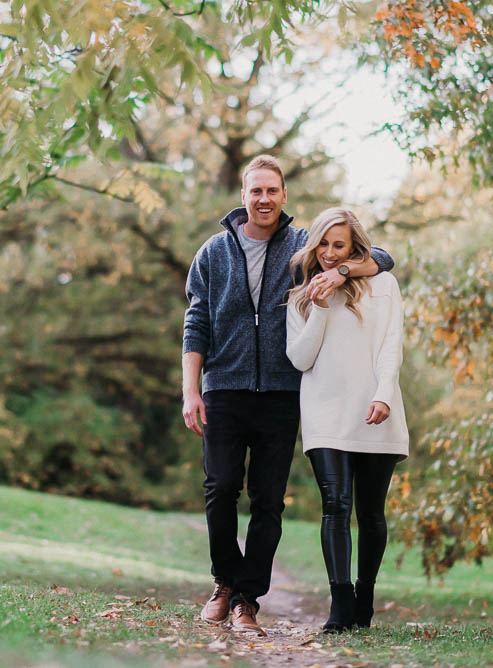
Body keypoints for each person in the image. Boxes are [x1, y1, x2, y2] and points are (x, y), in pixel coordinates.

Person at [182, 156, 394, 635]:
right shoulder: (213, 252)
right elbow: (195, 322)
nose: (264, 199)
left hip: (282, 392)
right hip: (224, 387)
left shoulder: (302, 246)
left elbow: (381, 257)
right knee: (220, 488)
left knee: (269, 501)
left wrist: (341, 272)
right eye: (255, 191)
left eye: (272, 191)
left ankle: (246, 601)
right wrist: (190, 389)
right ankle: (224, 582)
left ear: (283, 195)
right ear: (243, 196)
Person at [285, 207, 409, 633]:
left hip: (375, 407)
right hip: (324, 411)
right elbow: (300, 359)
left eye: (339, 245)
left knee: (371, 512)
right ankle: (340, 604)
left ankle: (365, 596)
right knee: (335, 506)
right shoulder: (301, 295)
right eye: (323, 244)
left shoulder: (383, 285)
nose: (329, 253)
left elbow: (391, 344)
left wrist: (384, 393)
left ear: (355, 247)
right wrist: (319, 307)